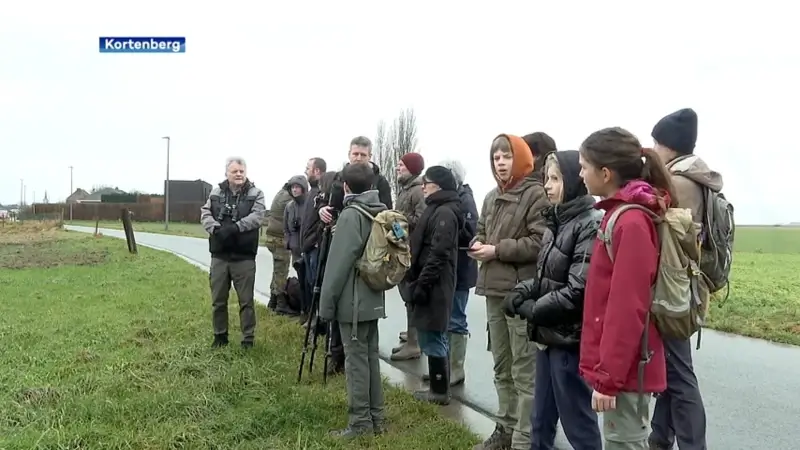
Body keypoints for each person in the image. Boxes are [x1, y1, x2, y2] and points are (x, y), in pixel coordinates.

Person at [578, 127, 672, 449]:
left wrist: (608, 379)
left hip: (627, 373)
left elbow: (627, 308)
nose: (580, 173)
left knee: (625, 442)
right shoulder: (618, 215)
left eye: (584, 166)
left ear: (605, 173)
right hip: (623, 370)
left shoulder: (630, 223)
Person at [504, 150, 603, 449]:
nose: (547, 185)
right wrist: (525, 290)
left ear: (573, 181)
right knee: (540, 420)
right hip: (548, 338)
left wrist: (534, 310)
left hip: (569, 341)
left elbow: (578, 290)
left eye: (555, 179)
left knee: (578, 425)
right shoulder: (556, 222)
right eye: (547, 178)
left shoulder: (589, 224)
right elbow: (549, 277)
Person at [469, 134, 550, 450]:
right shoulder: (490, 197)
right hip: (493, 290)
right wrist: (477, 245)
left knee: (524, 369)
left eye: (505, 157)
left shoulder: (536, 194)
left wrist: (497, 250)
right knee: (501, 365)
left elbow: (539, 241)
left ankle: (523, 439)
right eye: (495, 158)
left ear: (520, 158)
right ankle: (503, 429)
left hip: (521, 293)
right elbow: (480, 231)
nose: (500, 163)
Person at [649, 108, 716, 450]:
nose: (654, 150)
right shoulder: (699, 179)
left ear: (670, 147)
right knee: (673, 367)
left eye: (657, 143)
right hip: (690, 286)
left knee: (680, 373)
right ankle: (660, 437)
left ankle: (692, 445)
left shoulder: (676, 183)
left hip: (672, 290)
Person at [318, 162, 387, 438]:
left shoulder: (350, 216)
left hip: (352, 303)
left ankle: (360, 424)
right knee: (370, 358)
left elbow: (337, 267)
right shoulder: (379, 211)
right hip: (373, 299)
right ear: (372, 186)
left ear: (345, 187)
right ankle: (377, 418)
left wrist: (326, 306)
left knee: (356, 363)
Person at [316, 136, 394, 376]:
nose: (358, 158)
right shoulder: (340, 179)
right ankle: (336, 353)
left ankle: (354, 358)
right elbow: (329, 204)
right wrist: (322, 212)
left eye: (363, 155)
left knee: (357, 307)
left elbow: (386, 216)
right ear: (349, 154)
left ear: (370, 156)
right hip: (338, 242)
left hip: (367, 253)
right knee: (340, 301)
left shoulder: (380, 182)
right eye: (355, 154)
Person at [406, 165, 463, 404]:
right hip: (430, 281)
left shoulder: (445, 213)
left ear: (437, 186)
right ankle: (438, 385)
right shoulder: (436, 208)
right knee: (431, 333)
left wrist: (422, 284)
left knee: (433, 335)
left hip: (435, 283)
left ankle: (439, 391)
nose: (422, 187)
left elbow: (438, 253)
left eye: (425, 182)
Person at [200, 157, 266, 349]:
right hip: (219, 256)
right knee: (218, 300)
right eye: (234, 171)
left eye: (241, 171)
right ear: (226, 173)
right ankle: (220, 336)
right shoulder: (216, 192)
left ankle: (248, 339)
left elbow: (258, 216)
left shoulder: (257, 193)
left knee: (246, 301)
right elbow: (205, 213)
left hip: (244, 256)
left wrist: (236, 228)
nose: (239, 174)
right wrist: (215, 229)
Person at [429, 158, 478, 386]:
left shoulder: (465, 200)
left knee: (457, 319)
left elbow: (471, 233)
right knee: (445, 318)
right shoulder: (453, 198)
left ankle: (456, 368)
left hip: (462, 269)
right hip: (450, 269)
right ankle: (444, 365)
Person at [392, 152, 426, 361]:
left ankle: (414, 343)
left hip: (412, 250)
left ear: (412, 169)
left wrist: (398, 219)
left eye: (401, 166)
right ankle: (411, 333)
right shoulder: (406, 190)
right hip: (403, 247)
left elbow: (421, 219)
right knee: (406, 296)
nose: (398, 168)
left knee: (411, 295)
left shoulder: (417, 192)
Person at [299, 157, 327, 322]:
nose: (305, 170)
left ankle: (321, 322)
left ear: (316, 170)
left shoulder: (323, 192)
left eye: (308, 167)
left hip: (315, 247)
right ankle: (313, 318)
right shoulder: (311, 193)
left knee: (318, 285)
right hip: (308, 247)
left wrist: (317, 240)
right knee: (310, 284)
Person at [263, 175, 294, 312]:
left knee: (277, 271)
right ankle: (281, 304)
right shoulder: (288, 197)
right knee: (282, 271)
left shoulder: (280, 194)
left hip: (271, 238)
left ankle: (272, 301)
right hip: (279, 239)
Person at [280, 175, 308, 315]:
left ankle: (311, 311)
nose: (295, 190)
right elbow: (285, 227)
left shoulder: (310, 204)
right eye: (293, 187)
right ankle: (303, 310)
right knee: (301, 281)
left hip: (308, 249)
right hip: (295, 249)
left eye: (297, 187)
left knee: (310, 282)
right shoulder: (289, 207)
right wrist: (288, 242)